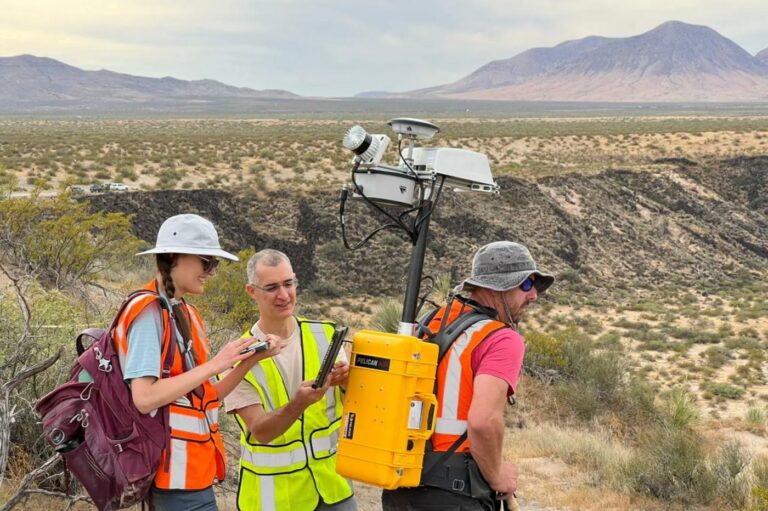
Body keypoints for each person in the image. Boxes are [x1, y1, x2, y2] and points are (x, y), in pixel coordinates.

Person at [116, 213, 282, 511]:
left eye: (213, 264)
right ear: (173, 257)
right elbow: (144, 398)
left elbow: (208, 396)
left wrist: (249, 360)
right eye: (206, 262)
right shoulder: (147, 313)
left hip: (194, 473)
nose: (211, 272)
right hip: (170, 480)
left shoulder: (185, 313)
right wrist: (217, 364)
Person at [382, 241, 555, 511]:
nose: (533, 295)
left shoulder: (432, 320)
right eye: (525, 285)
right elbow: (483, 422)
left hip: (401, 488)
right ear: (497, 286)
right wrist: (497, 475)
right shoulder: (501, 339)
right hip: (455, 494)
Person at [224, 249, 356, 511]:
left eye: (288, 283)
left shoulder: (325, 335)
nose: (284, 295)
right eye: (272, 287)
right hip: (276, 500)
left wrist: (348, 382)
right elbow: (260, 431)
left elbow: (353, 404)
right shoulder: (237, 359)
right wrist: (298, 404)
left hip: (333, 490)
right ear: (252, 291)